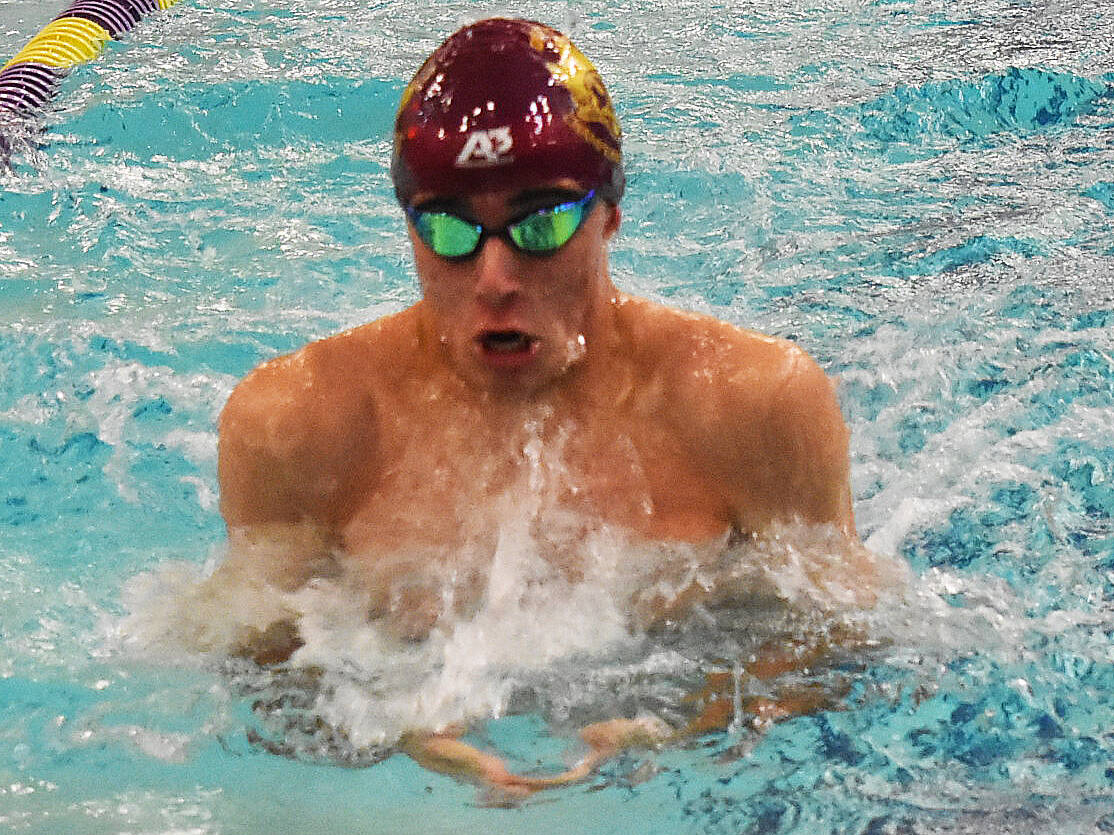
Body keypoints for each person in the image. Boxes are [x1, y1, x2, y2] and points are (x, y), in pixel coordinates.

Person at [211, 17, 901, 795]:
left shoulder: (751, 404)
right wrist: (388, 732)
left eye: (540, 223)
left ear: (610, 213)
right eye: (448, 227)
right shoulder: (295, 425)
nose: (495, 275)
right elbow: (264, 678)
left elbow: (844, 644)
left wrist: (690, 723)